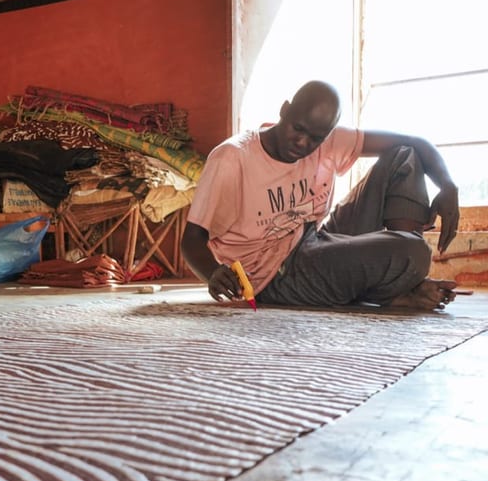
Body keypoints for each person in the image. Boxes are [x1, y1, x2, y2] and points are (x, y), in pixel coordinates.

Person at [181, 80, 461, 311]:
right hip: (274, 275)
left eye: (316, 138)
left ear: (327, 134)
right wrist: (212, 274)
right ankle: (399, 286)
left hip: (313, 240)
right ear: (284, 110)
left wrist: (448, 187)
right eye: (298, 129)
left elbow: (414, 142)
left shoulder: (328, 140)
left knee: (405, 157)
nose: (302, 143)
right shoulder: (232, 158)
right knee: (413, 251)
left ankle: (402, 283)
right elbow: (192, 240)